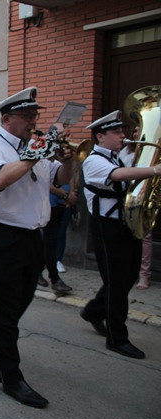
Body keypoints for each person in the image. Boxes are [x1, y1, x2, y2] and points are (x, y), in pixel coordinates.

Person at [0, 87, 74, 409]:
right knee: (3, 308)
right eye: (27, 116)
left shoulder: (32, 147)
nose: (33, 122)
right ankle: (11, 377)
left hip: (31, 234)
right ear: (7, 118)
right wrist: (35, 153)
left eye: (35, 116)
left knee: (20, 301)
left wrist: (68, 160)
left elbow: (60, 178)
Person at [80, 111, 160, 359]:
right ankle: (117, 338)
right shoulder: (93, 160)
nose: (122, 136)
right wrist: (155, 170)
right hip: (106, 228)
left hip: (124, 225)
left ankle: (94, 310)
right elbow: (118, 177)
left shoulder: (119, 156)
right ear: (101, 136)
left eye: (121, 131)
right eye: (117, 132)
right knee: (116, 282)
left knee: (126, 277)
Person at [41, 124, 74, 294]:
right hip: (50, 203)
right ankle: (53, 277)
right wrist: (63, 194)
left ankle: (41, 272)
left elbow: (68, 175)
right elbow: (45, 181)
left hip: (62, 202)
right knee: (48, 240)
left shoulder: (62, 154)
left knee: (52, 239)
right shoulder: (45, 155)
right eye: (64, 135)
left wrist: (72, 193)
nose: (67, 138)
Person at [119, 126, 153, 290]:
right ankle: (128, 270)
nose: (136, 133)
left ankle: (144, 275)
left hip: (144, 195)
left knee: (144, 236)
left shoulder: (153, 150)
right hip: (126, 194)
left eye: (140, 130)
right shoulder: (127, 150)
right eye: (135, 130)